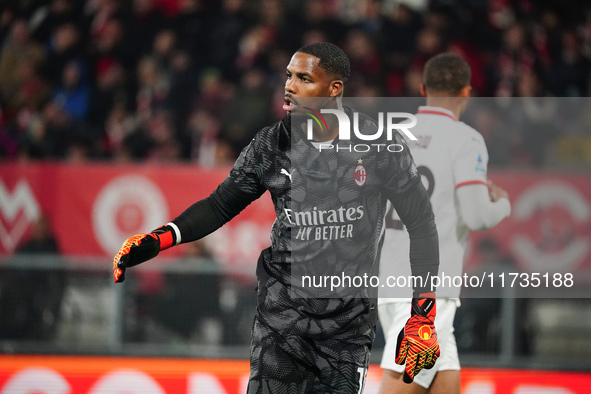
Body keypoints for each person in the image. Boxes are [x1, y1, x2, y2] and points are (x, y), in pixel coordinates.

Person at [113, 42, 440, 393]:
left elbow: (421, 226)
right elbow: (220, 205)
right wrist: (160, 238)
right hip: (281, 321)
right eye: (288, 76)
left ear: (334, 89)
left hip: (347, 331)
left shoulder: (379, 146)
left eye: (303, 78)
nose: (289, 85)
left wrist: (423, 314)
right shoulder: (271, 144)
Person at [378, 53, 511, 394]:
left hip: (391, 281)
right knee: (398, 386)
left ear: (423, 88)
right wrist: (503, 204)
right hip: (427, 293)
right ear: (466, 93)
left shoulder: (395, 135)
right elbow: (478, 215)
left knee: (444, 381)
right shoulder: (464, 140)